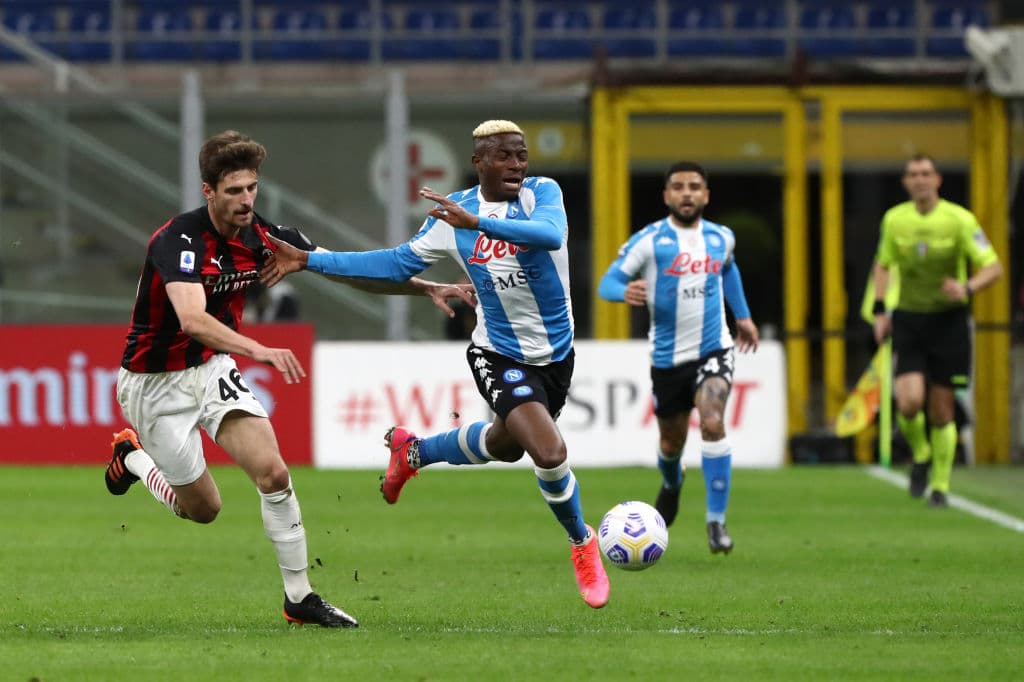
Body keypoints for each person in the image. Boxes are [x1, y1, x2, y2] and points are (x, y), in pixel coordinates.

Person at [104, 130, 471, 628]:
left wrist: (428, 285)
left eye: (251, 188)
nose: (246, 200)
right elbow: (191, 318)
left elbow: (340, 269)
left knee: (274, 474)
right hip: (153, 384)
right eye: (233, 191)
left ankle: (299, 598)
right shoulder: (179, 240)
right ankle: (134, 458)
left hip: (211, 369)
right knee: (203, 509)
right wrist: (258, 349)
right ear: (208, 192)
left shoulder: (263, 237)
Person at [260, 120, 611, 609]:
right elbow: (395, 264)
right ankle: (581, 542)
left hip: (556, 357)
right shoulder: (453, 215)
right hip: (499, 353)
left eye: (521, 155)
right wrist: (313, 259)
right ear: (478, 163)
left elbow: (550, 236)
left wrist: (479, 226)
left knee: (505, 446)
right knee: (549, 452)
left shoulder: (540, 194)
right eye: (504, 156)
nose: (516, 165)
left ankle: (415, 452)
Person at [597, 161, 759, 555]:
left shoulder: (722, 238)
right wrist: (625, 292)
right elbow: (607, 282)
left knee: (712, 420)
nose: (687, 193)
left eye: (694, 187)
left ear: (706, 195)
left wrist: (743, 317)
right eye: (678, 187)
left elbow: (729, 272)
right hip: (668, 358)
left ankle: (716, 522)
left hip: (713, 348)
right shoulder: (649, 240)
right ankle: (672, 483)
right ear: (667, 195)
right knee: (671, 442)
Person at [872, 154, 1002, 507]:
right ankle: (921, 453)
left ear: (938, 180)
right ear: (905, 182)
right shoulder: (895, 219)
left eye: (926, 173)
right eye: (913, 174)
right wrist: (880, 311)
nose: (920, 180)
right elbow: (882, 265)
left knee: (942, 410)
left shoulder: (959, 219)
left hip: (949, 322)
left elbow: (992, 267)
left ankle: (941, 487)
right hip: (911, 319)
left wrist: (967, 288)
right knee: (909, 402)